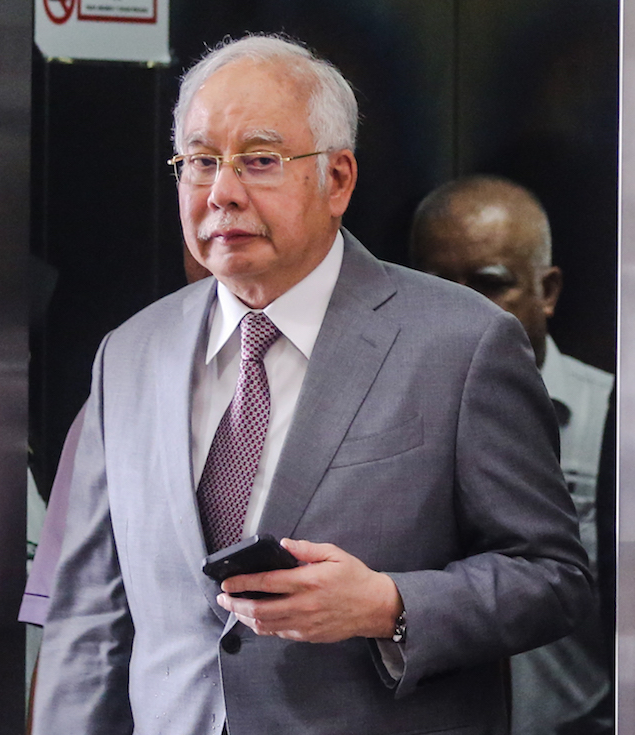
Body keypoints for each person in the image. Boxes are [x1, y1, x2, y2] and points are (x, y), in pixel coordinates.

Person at [32, 34, 592, 735]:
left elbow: (553, 577)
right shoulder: (130, 353)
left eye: (259, 161)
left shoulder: (461, 343)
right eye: (200, 162)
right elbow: (89, 618)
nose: (222, 193)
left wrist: (389, 603)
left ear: (338, 179)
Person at [409, 175, 614, 734]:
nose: (461, 306)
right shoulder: (389, 425)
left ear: (546, 291)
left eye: (490, 283)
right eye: (437, 283)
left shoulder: (614, 421)